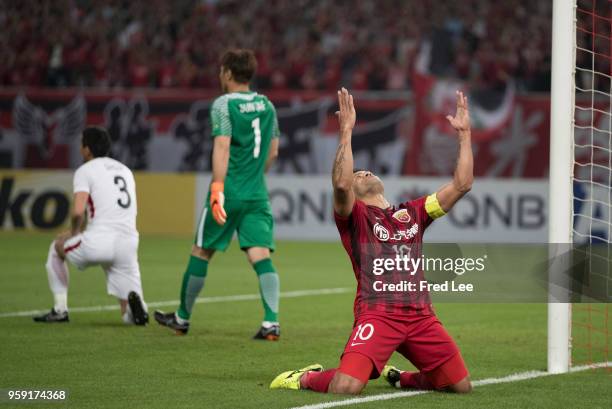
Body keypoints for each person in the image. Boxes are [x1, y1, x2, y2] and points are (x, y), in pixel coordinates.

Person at [270, 88, 473, 394]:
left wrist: (465, 134)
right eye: (358, 174)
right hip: (378, 315)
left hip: (421, 318)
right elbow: (340, 182)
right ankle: (304, 377)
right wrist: (346, 131)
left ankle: (402, 378)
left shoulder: (414, 213)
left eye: (366, 171)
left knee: (460, 386)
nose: (363, 172)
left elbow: (462, 184)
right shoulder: (355, 217)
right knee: (346, 387)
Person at [154, 49, 281, 339]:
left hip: (229, 190)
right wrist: (255, 176)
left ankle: (182, 318)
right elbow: (273, 151)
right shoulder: (267, 105)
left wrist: (217, 189)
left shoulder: (224, 105)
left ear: (227, 72)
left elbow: (222, 147)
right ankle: (271, 322)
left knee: (201, 251)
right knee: (260, 255)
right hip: (257, 194)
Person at [33, 126, 148, 325]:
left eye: (81, 144)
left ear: (87, 149)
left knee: (57, 247)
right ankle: (135, 310)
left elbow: (78, 211)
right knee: (127, 314)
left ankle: (60, 310)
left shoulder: (85, 171)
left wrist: (74, 233)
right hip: (128, 243)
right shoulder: (125, 171)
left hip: (99, 241)